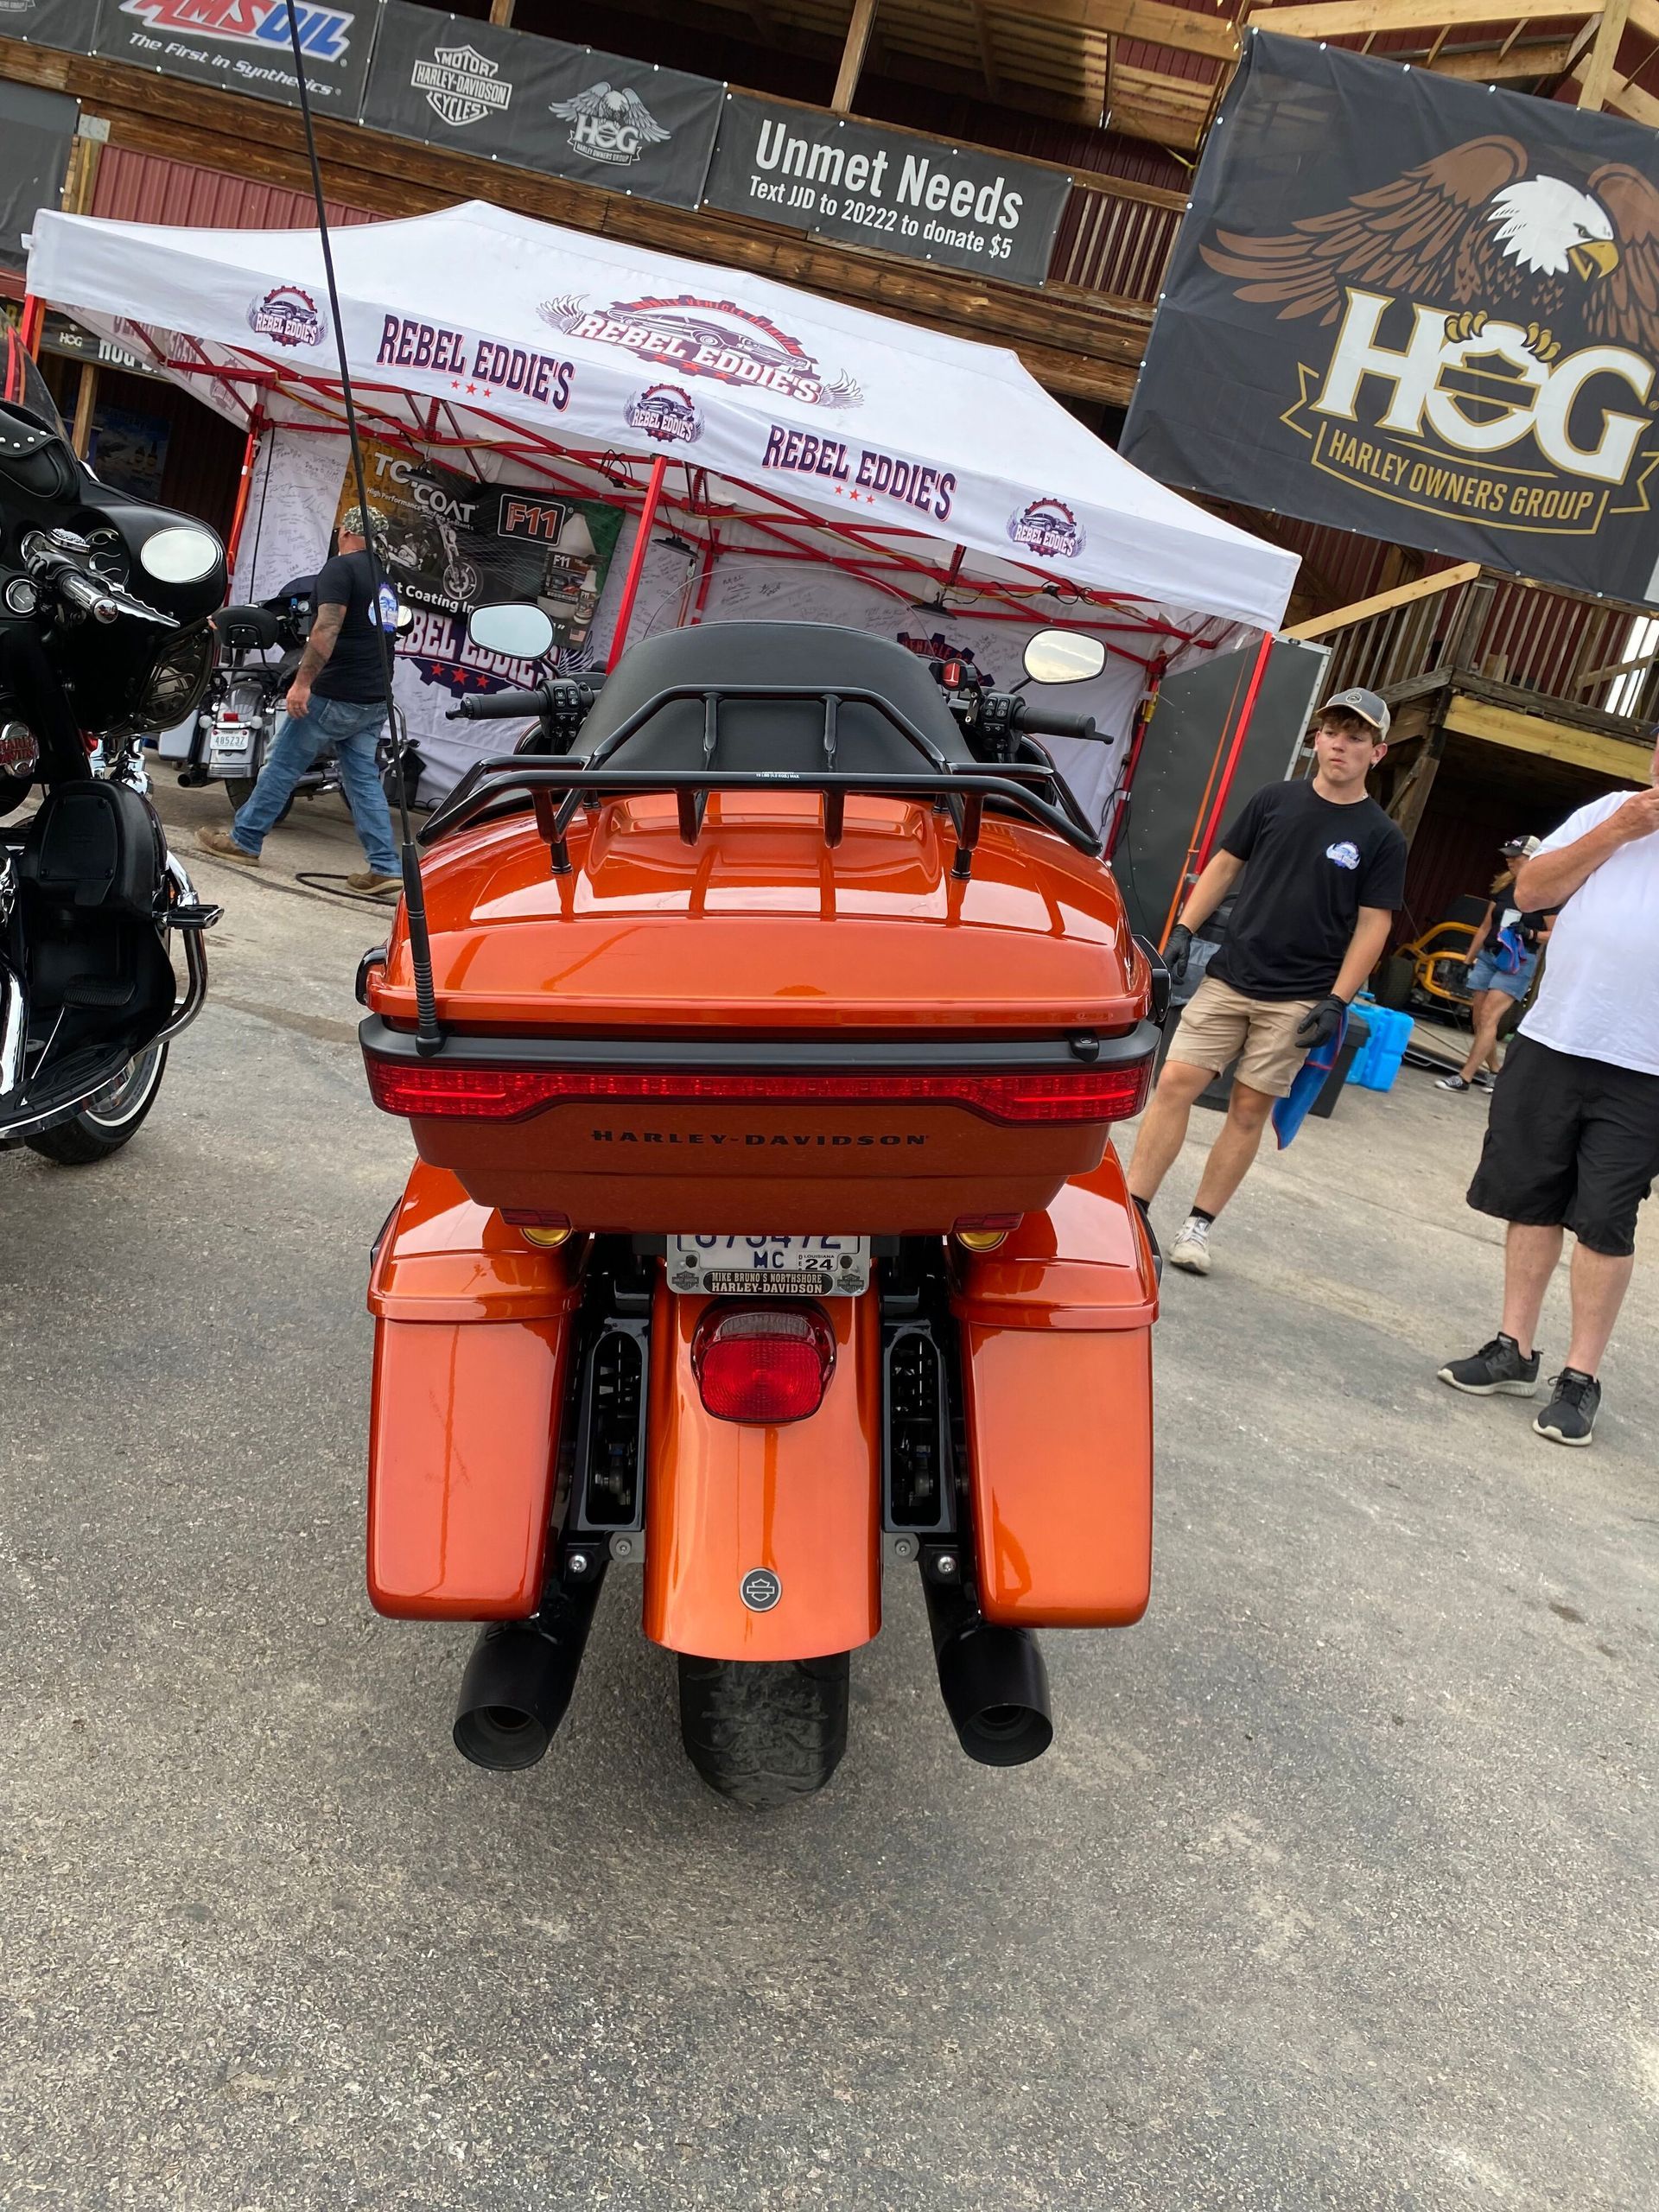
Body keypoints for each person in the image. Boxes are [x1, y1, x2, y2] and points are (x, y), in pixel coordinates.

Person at [1127, 688, 1408, 1274]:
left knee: (1250, 1107)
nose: (1341, 745)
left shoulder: (1381, 837)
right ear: (1317, 739)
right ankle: (1133, 1212)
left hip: (1301, 995)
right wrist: (1182, 928)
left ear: (1377, 753)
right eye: (1333, 732)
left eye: (1356, 737)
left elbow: (1373, 925)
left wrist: (1338, 1001)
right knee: (1176, 1081)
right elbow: (1225, 865)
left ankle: (1197, 1228)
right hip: (1231, 976)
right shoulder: (1274, 800)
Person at [1438, 733, 1659, 1447]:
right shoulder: (1611, 812)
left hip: (1645, 1064)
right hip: (1554, 1040)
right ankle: (1514, 1347)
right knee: (1528, 1196)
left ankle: (1581, 1377)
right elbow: (1530, 892)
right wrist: (1621, 829)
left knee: (1603, 1220)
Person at [199, 505, 401, 894]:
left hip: (336, 691)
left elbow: (326, 628)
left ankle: (245, 840)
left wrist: (302, 682)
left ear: (344, 534)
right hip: (374, 696)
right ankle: (385, 866)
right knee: (362, 782)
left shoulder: (340, 569)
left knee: (282, 764)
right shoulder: (383, 578)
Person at [1437, 837, 1550, 1095]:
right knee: (1479, 1019)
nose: (1509, 860)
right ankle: (1497, 1071)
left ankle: (1465, 1077)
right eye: (1508, 856)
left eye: (1515, 856)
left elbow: (1556, 933)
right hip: (1489, 955)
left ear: (1533, 857)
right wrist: (1467, 960)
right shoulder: (1504, 886)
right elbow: (1486, 925)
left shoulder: (1548, 892)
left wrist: (1531, 934)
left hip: (1517, 960)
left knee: (1489, 1016)